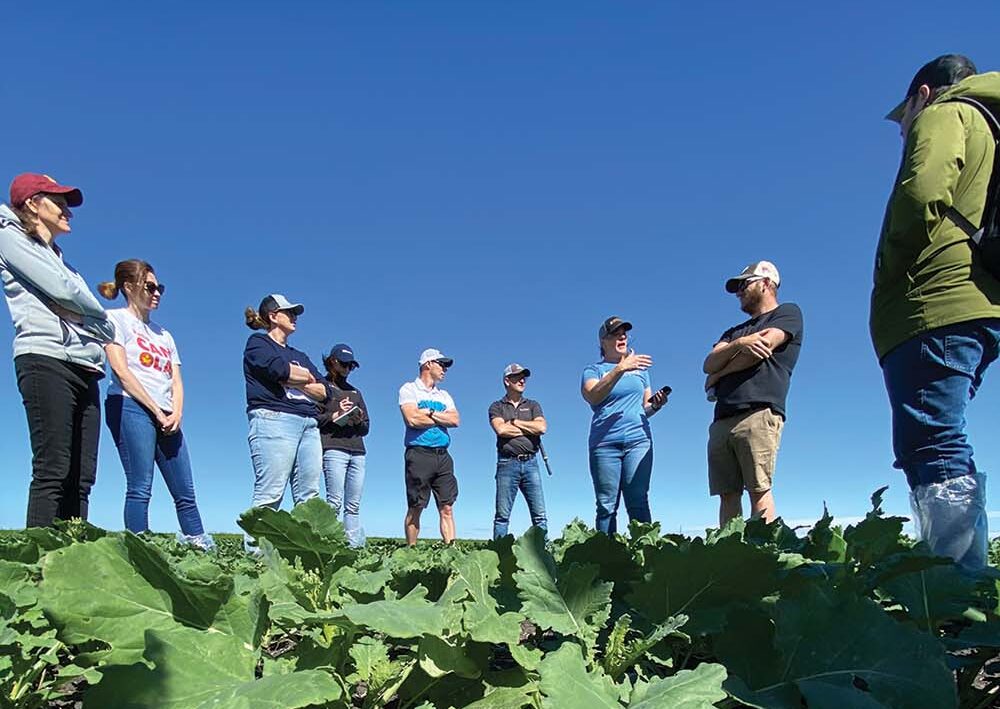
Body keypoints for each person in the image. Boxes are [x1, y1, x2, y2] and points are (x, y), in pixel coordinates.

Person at [873, 55, 1000, 571]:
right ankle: (968, 578)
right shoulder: (992, 126)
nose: (902, 127)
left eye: (904, 114)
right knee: (944, 440)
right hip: (979, 304)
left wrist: (892, 266)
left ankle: (955, 589)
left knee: (933, 441)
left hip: (936, 303)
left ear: (922, 94)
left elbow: (923, 190)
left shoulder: (948, 111)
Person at [0, 174, 114, 527]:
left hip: (86, 367)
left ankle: (73, 562)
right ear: (33, 203)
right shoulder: (8, 237)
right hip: (45, 360)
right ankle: (39, 567)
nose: (69, 212)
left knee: (82, 478)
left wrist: (82, 312)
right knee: (53, 468)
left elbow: (107, 327)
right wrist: (82, 309)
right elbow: (61, 290)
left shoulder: (67, 264)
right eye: (60, 203)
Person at [99, 260, 213, 549]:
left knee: (185, 492)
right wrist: (153, 408)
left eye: (159, 287)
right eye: (150, 287)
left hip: (167, 415)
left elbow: (176, 380)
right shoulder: (114, 320)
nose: (157, 293)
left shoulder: (165, 335)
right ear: (129, 287)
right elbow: (121, 372)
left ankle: (201, 548)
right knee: (140, 486)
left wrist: (176, 412)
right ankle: (141, 553)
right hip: (129, 406)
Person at [703, 261, 803, 527]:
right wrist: (740, 343)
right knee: (727, 494)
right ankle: (729, 553)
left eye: (744, 285)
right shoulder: (733, 332)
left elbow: (763, 347)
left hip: (758, 413)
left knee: (759, 491)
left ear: (766, 283)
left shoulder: (787, 313)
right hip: (722, 419)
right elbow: (709, 363)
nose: (739, 292)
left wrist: (720, 374)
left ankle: (764, 554)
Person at [581, 317, 667, 535]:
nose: (622, 337)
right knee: (606, 506)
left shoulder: (641, 371)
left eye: (624, 333)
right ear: (603, 341)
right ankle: (607, 559)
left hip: (638, 441)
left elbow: (644, 408)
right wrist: (620, 368)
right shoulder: (593, 370)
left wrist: (656, 405)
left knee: (638, 500)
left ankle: (646, 558)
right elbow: (593, 396)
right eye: (615, 334)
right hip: (604, 444)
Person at [243, 294, 327, 512]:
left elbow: (324, 391)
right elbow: (278, 369)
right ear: (273, 316)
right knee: (270, 492)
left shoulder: (299, 354)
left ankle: (304, 547)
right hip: (274, 419)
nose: (294, 317)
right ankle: (258, 547)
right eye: (288, 312)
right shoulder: (258, 343)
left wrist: (296, 379)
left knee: (309, 496)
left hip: (309, 424)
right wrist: (303, 378)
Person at [398, 348, 460, 545]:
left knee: (447, 507)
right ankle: (411, 550)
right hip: (419, 454)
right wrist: (442, 419)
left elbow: (455, 420)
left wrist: (431, 413)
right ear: (428, 364)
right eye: (441, 364)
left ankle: (451, 552)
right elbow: (412, 419)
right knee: (416, 506)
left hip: (443, 456)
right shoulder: (409, 389)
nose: (444, 369)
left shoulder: (444, 395)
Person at [318, 343, 370, 547]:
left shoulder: (356, 393)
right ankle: (330, 544)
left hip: (357, 451)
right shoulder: (321, 387)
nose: (348, 370)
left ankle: (352, 547)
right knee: (334, 502)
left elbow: (366, 427)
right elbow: (315, 418)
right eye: (345, 365)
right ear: (333, 362)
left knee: (353, 505)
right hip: (333, 449)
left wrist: (356, 418)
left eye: (352, 366)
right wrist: (335, 415)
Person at [489, 363, 548, 539]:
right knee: (502, 517)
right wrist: (529, 428)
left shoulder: (533, 405)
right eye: (517, 377)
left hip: (531, 463)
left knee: (540, 516)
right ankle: (500, 555)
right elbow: (501, 430)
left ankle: (544, 557)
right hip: (507, 464)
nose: (522, 380)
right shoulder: (496, 407)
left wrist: (515, 423)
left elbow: (542, 427)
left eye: (524, 377)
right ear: (507, 381)